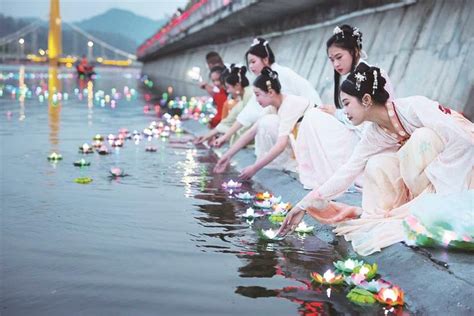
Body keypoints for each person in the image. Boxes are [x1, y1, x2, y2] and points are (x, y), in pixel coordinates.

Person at [279, 63, 473, 256]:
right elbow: (348, 171)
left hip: (461, 163)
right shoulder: (374, 133)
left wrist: (444, 184)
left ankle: (435, 203)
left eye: (346, 103)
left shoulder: (414, 107)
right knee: (378, 163)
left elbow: (462, 141)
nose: (344, 111)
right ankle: (420, 206)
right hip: (425, 177)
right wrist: (303, 204)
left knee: (421, 138)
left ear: (365, 99)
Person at [296, 24, 395, 189]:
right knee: (315, 115)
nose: (335, 64)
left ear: (354, 51)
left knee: (313, 118)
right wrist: (338, 113)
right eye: (332, 59)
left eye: (339, 57)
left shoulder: (370, 75)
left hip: (373, 139)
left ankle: (326, 176)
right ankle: (323, 175)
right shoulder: (359, 75)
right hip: (365, 135)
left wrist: (337, 114)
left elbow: (370, 120)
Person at [211, 37, 322, 148]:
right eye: (249, 63)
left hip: (309, 122)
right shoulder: (265, 81)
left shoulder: (281, 75)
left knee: (267, 122)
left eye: (253, 62)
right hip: (296, 123)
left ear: (265, 59)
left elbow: (249, 114)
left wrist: (224, 137)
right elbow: (247, 113)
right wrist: (224, 137)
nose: (251, 66)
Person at [213, 67, 313, 179]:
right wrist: (227, 156)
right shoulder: (272, 107)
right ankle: (275, 163)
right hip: (302, 143)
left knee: (268, 122)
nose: (256, 100)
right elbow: (251, 132)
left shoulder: (289, 104)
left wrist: (255, 168)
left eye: (257, 94)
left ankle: (281, 163)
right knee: (263, 123)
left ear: (270, 92)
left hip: (313, 145)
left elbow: (281, 145)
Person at [194, 65, 253, 145]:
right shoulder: (242, 99)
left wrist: (223, 137)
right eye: (213, 81)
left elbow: (241, 121)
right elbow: (228, 121)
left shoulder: (250, 94)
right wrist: (208, 136)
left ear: (237, 86)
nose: (227, 91)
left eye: (228, 87)